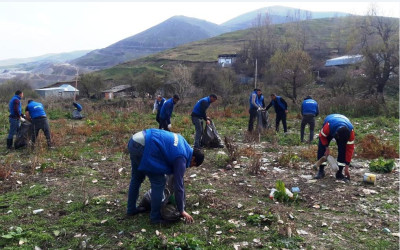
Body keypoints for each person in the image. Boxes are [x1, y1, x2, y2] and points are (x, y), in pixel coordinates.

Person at [126, 128, 205, 224]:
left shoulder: (183, 142)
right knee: (159, 182)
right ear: (193, 158)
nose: (189, 166)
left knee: (137, 178)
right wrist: (181, 210)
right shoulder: (181, 158)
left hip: (135, 139)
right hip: (144, 147)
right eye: (192, 164)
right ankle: (155, 218)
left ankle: (131, 209)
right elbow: (178, 186)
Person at [314, 114, 355, 181]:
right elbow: (322, 136)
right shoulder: (328, 126)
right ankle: (321, 171)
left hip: (343, 123)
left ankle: (339, 173)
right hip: (331, 123)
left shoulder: (351, 133)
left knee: (343, 150)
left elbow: (349, 149)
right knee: (322, 148)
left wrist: (347, 166)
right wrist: (326, 148)